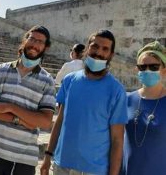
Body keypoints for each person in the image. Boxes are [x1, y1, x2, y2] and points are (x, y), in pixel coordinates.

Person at [41, 30, 128, 175]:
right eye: (95, 46)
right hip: (61, 166)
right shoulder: (69, 80)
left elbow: (117, 139)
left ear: (111, 55)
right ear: (88, 48)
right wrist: (48, 156)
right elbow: (60, 120)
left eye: (105, 49)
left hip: (94, 170)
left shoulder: (116, 90)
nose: (98, 52)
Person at [0, 25, 57, 175]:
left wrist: (10, 107)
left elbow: (45, 121)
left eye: (40, 42)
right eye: (32, 39)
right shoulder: (1, 70)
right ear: (24, 41)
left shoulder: (47, 81)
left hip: (24, 158)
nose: (35, 44)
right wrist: (22, 121)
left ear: (45, 47)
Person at [121, 41, 166, 175]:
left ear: (164, 70)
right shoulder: (127, 100)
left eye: (153, 67)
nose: (147, 70)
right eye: (142, 67)